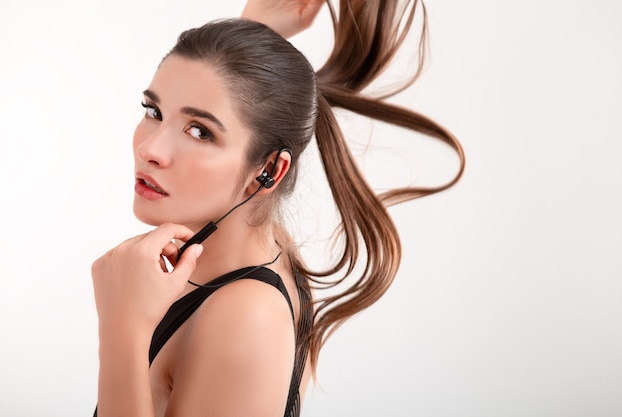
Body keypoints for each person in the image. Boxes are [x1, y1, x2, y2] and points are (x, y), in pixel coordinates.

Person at [90, 0, 465, 416]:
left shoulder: (245, 316)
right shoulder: (263, 247)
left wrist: (122, 330)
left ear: (269, 169)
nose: (149, 149)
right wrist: (254, 35)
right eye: (154, 111)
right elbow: (240, 112)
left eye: (199, 131)